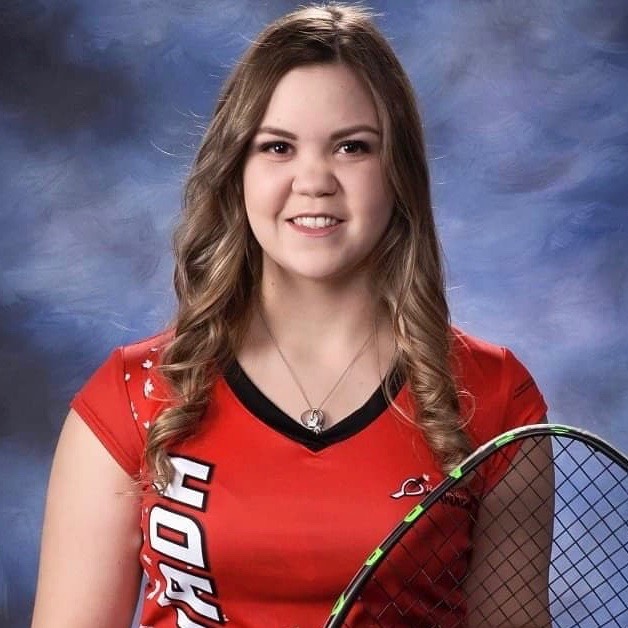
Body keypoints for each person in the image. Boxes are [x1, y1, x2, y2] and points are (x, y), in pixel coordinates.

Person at [31, 4, 552, 627]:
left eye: (352, 147)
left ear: (399, 172)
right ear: (236, 170)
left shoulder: (496, 401)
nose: (314, 180)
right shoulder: (129, 399)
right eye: (277, 146)